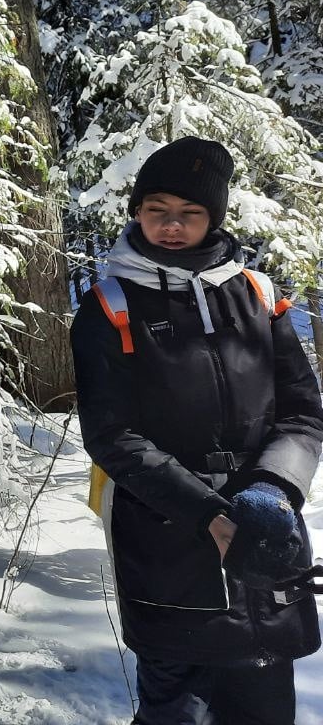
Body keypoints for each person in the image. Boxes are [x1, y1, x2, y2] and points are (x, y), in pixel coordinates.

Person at [71, 137, 323, 725]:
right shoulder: (110, 305)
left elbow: (304, 411)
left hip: (265, 536)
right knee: (177, 710)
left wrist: (272, 492)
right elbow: (111, 435)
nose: (172, 225)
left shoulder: (260, 297)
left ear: (213, 219)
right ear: (137, 212)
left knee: (264, 706)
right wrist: (208, 512)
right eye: (158, 209)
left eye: (190, 213)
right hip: (166, 545)